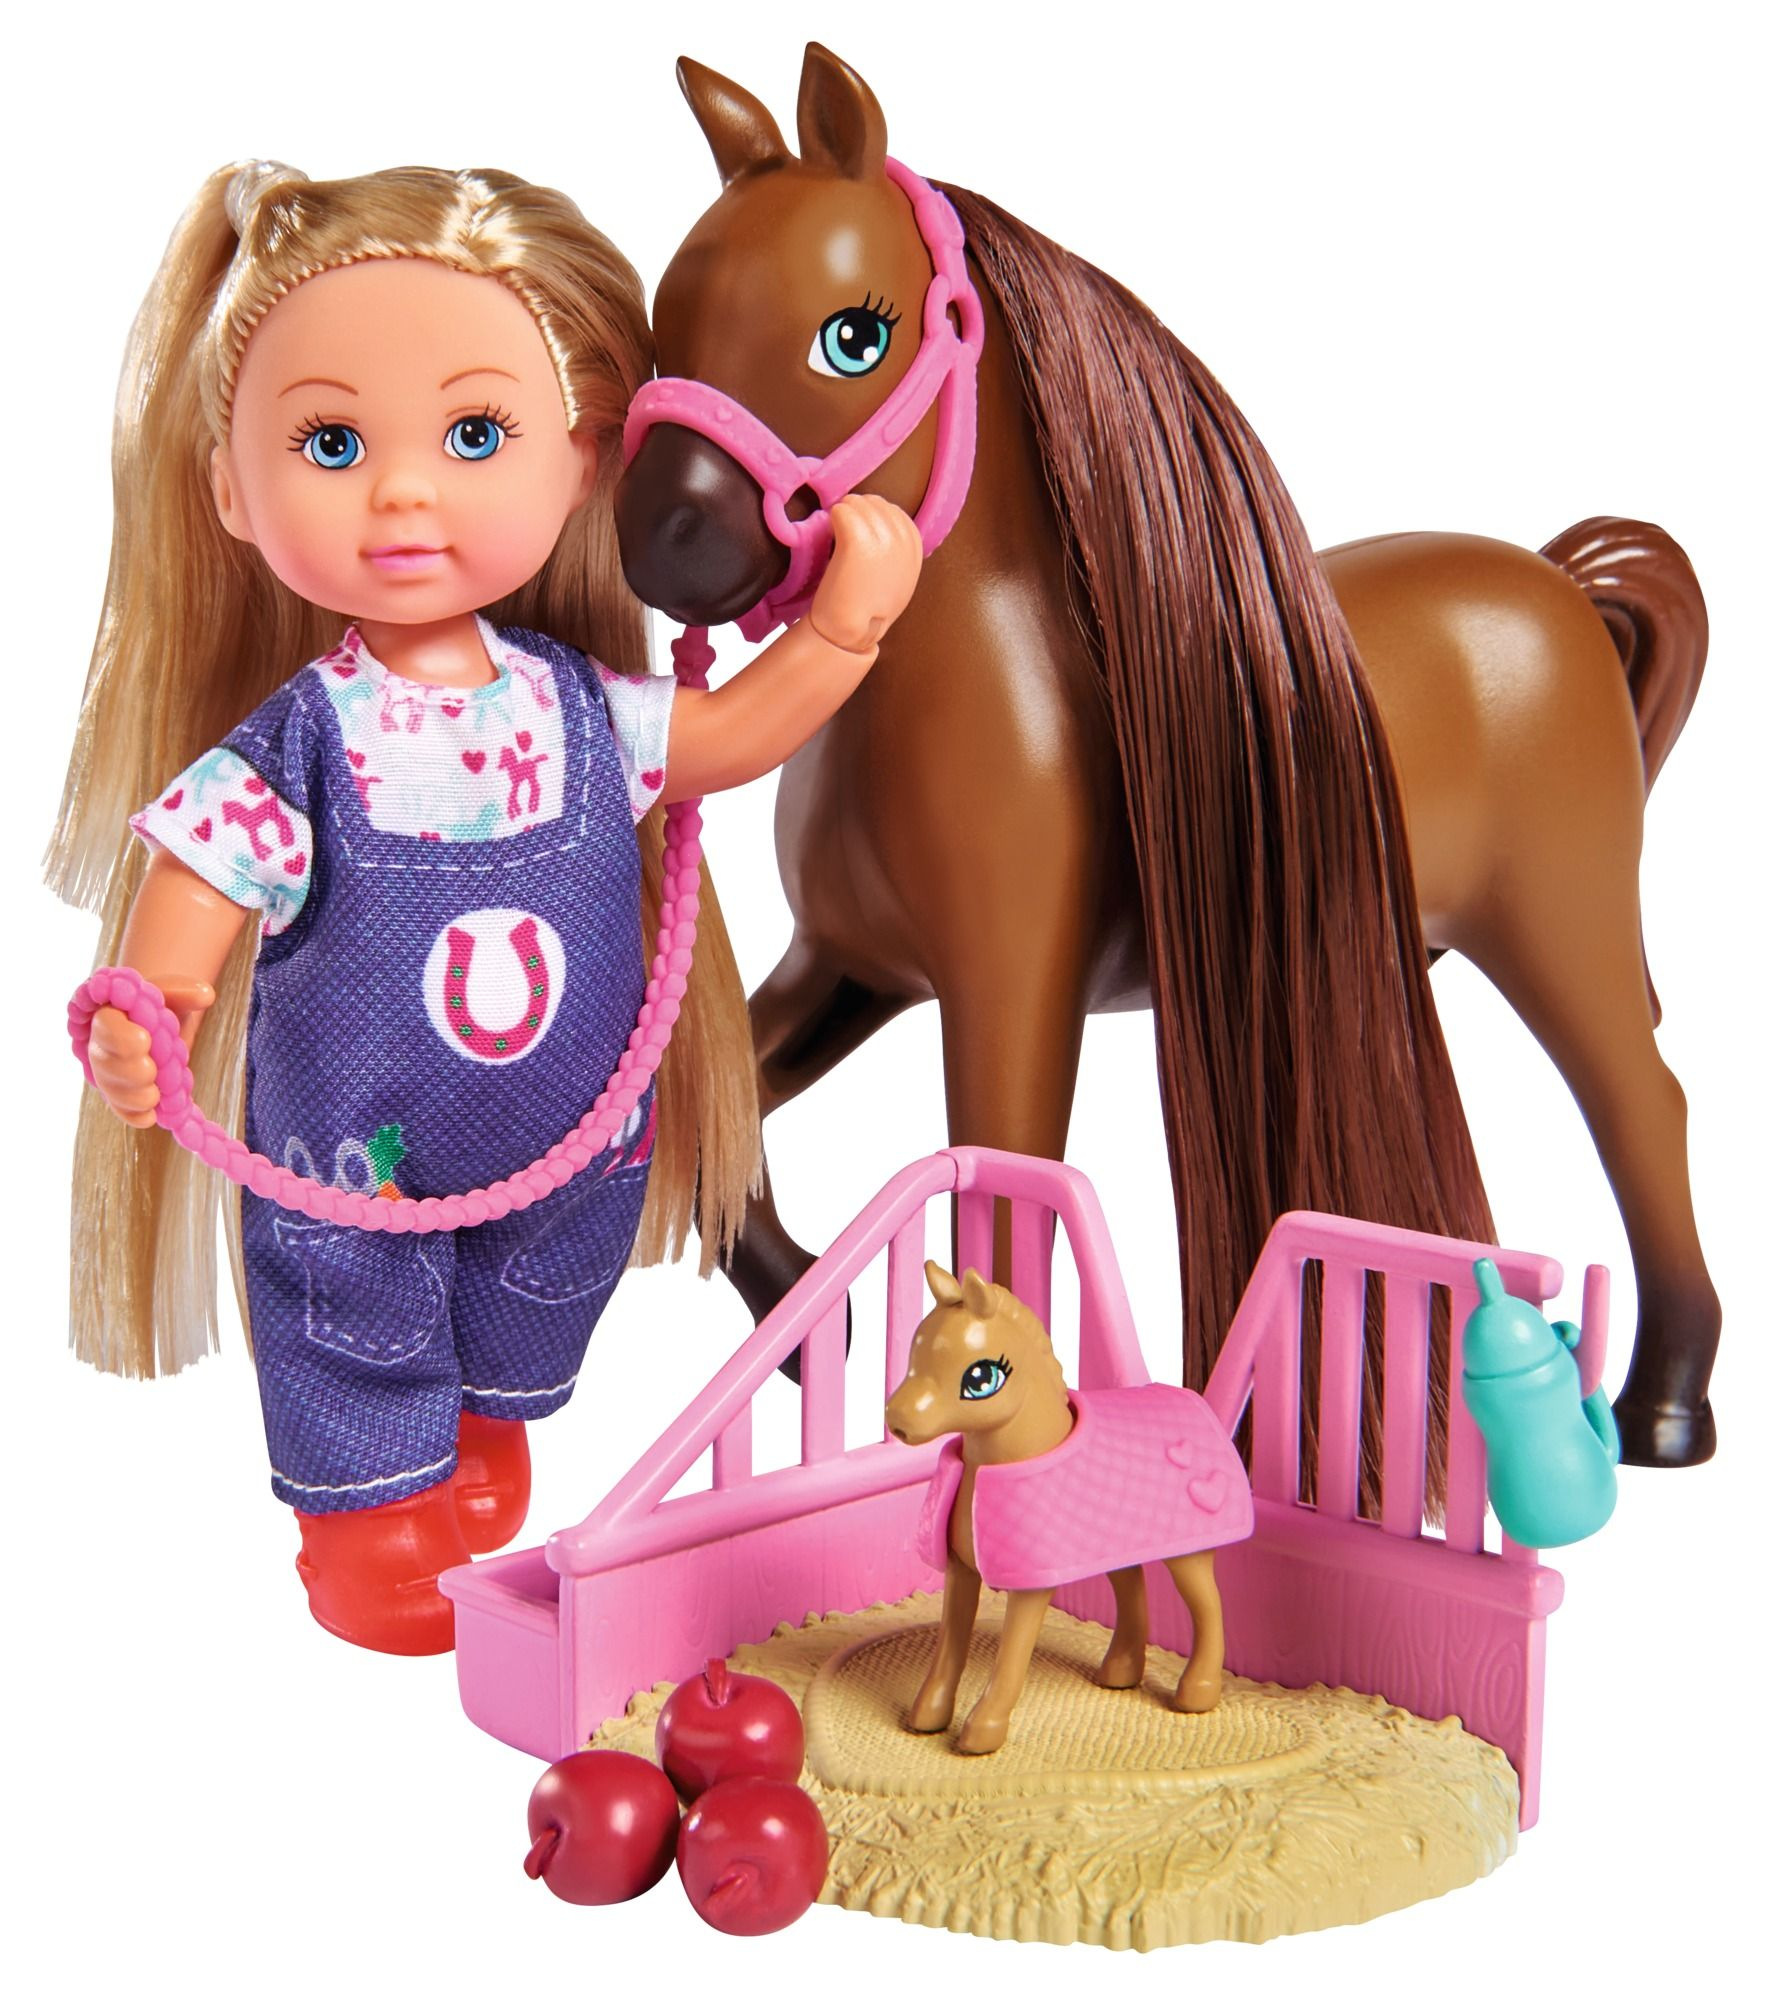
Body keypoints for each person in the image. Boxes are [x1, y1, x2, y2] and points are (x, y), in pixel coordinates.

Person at [48, 161, 921, 1654]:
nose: (403, 492)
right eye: (331, 444)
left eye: (473, 437)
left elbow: (726, 738)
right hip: (357, 1160)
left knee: (543, 1285)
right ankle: (363, 1505)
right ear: (230, 491)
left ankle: (484, 1418)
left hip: (570, 1143)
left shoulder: (585, 709)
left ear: (580, 464)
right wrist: (152, 1002)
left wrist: (841, 634)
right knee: (347, 1295)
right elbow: (201, 876)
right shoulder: (301, 742)